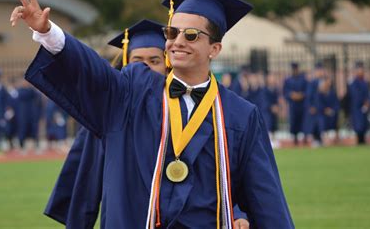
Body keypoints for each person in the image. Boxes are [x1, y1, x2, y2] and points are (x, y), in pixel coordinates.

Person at [11, 0, 293, 228]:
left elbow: (265, 197)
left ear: (215, 49)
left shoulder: (240, 116)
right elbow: (94, 72)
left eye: (191, 35)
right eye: (172, 33)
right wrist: (49, 33)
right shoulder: (134, 91)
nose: (178, 41)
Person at [45, 18, 250, 228]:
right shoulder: (111, 111)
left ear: (167, 64)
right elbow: (88, 174)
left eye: (154, 61)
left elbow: (206, 170)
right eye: (137, 62)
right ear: (126, 64)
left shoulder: (187, 109)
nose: (145, 69)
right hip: (126, 212)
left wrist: (235, 211)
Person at [283, 62, 308, 145]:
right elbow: (285, 92)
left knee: (304, 121)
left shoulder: (303, 79)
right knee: (294, 121)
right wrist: (291, 95)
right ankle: (295, 139)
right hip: (293, 105)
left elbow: (307, 91)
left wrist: (301, 95)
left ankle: (305, 138)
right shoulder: (288, 80)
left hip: (302, 104)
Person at [347, 61, 370, 144]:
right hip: (356, 106)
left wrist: (367, 101)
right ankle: (359, 140)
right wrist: (363, 101)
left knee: (364, 124)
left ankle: (363, 140)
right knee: (358, 124)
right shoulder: (353, 82)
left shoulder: (365, 81)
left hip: (364, 106)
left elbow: (367, 94)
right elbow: (355, 95)